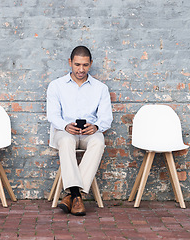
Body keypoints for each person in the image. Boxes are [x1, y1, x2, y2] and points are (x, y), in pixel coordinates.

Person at [46, 46, 113, 216]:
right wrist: (65, 126)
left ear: (90, 64)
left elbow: (106, 117)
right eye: (77, 65)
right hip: (65, 131)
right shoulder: (56, 86)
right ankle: (77, 195)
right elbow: (52, 115)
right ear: (70, 63)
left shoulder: (100, 88)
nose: (81, 69)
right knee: (67, 140)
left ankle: (71, 196)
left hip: (89, 133)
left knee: (99, 141)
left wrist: (96, 127)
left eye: (84, 65)